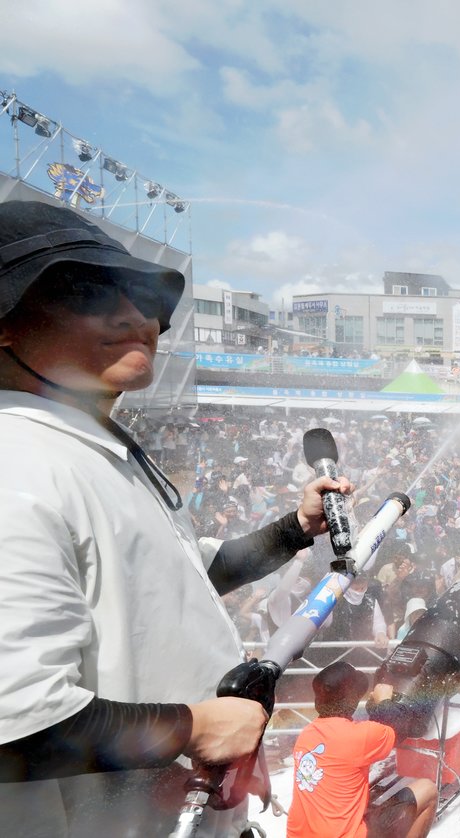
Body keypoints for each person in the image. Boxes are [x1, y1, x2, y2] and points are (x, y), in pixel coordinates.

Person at [0, 202, 351, 835]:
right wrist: (198, 726)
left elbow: (185, 573)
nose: (137, 316)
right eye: (86, 292)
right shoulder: (17, 466)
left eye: (143, 298)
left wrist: (292, 530)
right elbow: (15, 721)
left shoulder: (87, 450)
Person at [288, 663, 436, 838]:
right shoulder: (358, 736)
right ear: (351, 699)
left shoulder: (307, 734)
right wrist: (384, 701)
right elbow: (399, 725)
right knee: (429, 790)